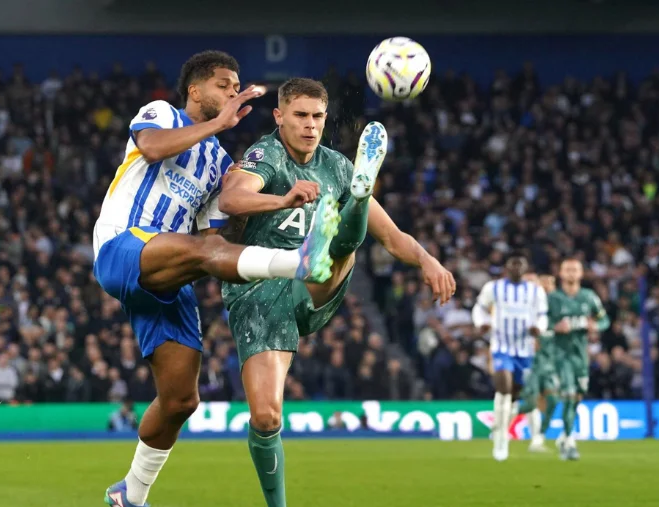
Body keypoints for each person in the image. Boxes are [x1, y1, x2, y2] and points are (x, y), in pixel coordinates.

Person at [96, 53, 340, 507]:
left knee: (180, 401)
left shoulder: (219, 163)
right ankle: (299, 265)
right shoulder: (161, 114)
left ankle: (130, 494)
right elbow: (151, 147)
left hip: (171, 271)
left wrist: (280, 201)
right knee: (208, 253)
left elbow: (216, 239)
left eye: (236, 87)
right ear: (195, 90)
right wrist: (220, 123)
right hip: (123, 246)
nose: (233, 94)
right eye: (225, 86)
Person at [217, 78, 455, 507]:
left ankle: (356, 204)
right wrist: (284, 199)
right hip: (256, 290)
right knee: (267, 415)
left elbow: (394, 235)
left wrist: (427, 260)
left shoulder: (337, 167)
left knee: (345, 245)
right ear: (279, 117)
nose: (310, 126)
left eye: (318, 117)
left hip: (314, 282)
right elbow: (232, 199)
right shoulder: (265, 155)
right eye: (301, 116)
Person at [471, 251, 547, 462]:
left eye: (520, 264)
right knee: (503, 387)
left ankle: (508, 430)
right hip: (501, 347)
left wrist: (538, 328)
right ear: (507, 267)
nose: (516, 268)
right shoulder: (493, 288)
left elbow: (542, 316)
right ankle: (501, 440)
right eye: (512, 264)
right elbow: (480, 308)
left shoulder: (535, 291)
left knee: (520, 395)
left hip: (525, 350)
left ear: (525, 268)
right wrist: (482, 324)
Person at [547, 258, 610, 461]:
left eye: (575, 269)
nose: (572, 273)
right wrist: (554, 327)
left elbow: (605, 319)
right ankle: (569, 440)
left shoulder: (589, 297)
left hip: (580, 354)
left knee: (578, 395)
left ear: (581, 274)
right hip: (560, 353)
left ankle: (565, 434)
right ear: (561, 274)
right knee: (569, 392)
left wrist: (596, 327)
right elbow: (540, 323)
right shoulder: (553, 298)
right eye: (568, 269)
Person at [514, 273, 560, 452]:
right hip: (522, 358)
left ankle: (536, 438)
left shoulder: (545, 307)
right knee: (531, 400)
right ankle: (504, 424)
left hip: (545, 361)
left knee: (546, 400)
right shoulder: (519, 308)